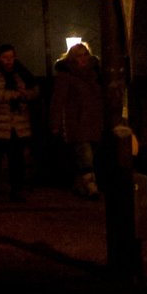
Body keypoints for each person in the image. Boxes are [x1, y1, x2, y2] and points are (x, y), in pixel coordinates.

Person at [0, 43, 38, 201]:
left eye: (11, 57)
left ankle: (17, 190)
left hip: (18, 122)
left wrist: (26, 95)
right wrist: (9, 95)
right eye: (5, 57)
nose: (9, 61)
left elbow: (35, 88)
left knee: (17, 159)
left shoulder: (21, 71)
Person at [50, 42, 104, 198]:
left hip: (94, 121)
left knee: (87, 155)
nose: (83, 58)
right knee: (85, 154)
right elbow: (58, 101)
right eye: (79, 55)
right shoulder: (66, 76)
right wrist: (55, 124)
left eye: (85, 54)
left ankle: (79, 185)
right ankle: (91, 186)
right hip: (77, 121)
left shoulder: (96, 73)